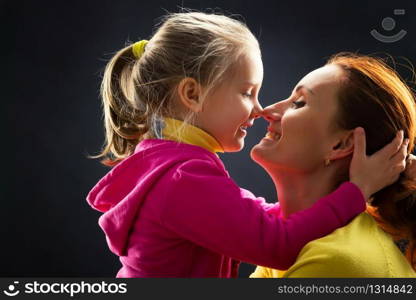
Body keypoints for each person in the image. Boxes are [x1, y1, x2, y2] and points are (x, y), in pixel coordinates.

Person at [86, 12, 406, 277]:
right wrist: (355, 192)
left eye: (299, 103)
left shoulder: (169, 164)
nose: (261, 109)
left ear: (343, 143)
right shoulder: (183, 178)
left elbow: (257, 217)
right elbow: (276, 244)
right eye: (247, 92)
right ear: (193, 95)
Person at [250, 53, 416, 278]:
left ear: (341, 144)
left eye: (298, 103)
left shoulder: (334, 262)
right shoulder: (287, 243)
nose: (268, 111)